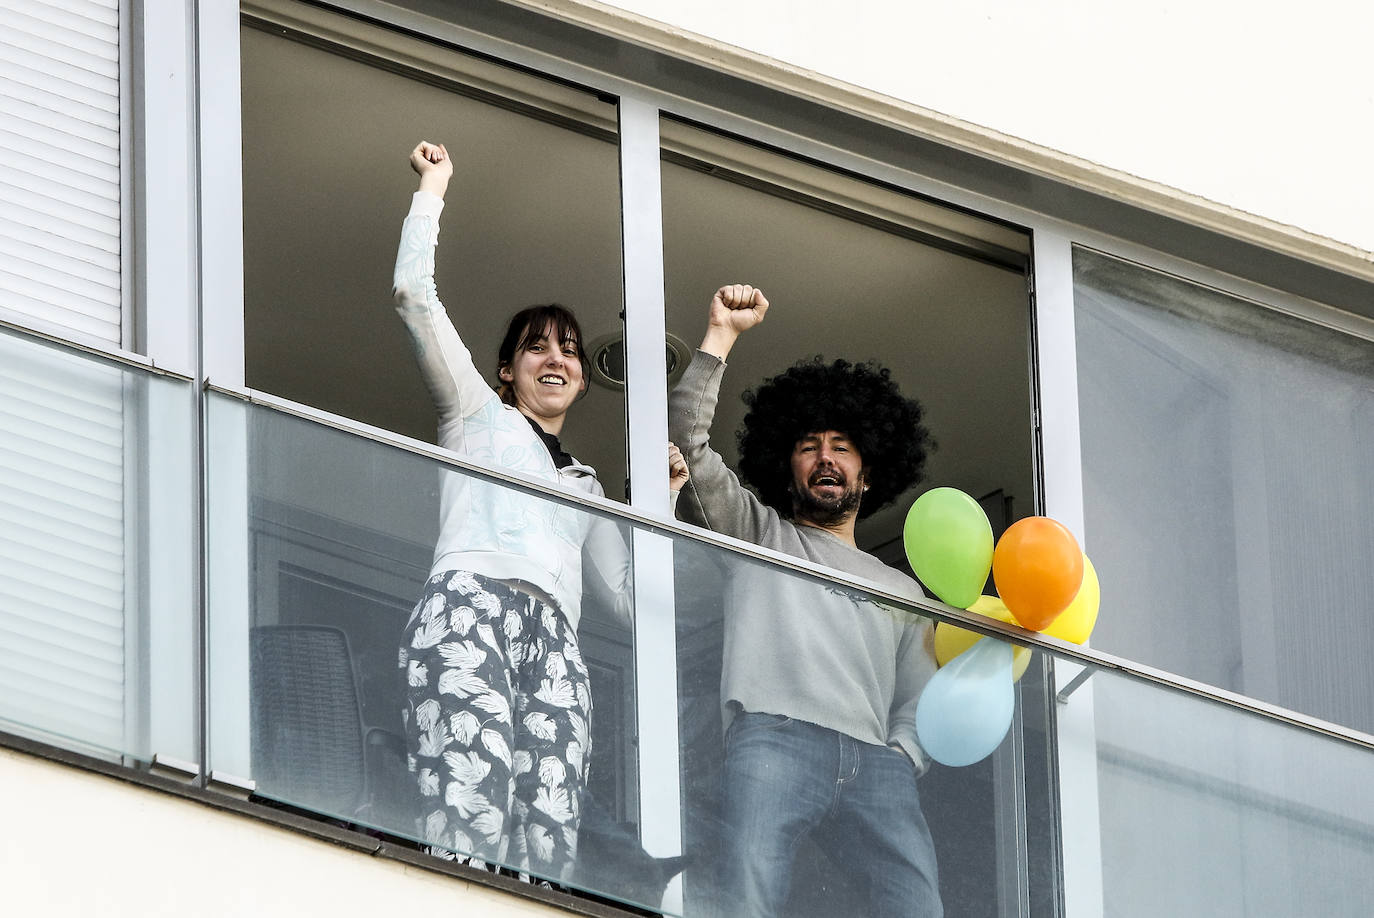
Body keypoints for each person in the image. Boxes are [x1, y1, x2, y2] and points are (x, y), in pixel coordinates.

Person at [392, 141, 689, 883]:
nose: (554, 359)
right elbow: (413, 295)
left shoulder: (586, 488)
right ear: (505, 370)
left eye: (569, 351)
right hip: (471, 606)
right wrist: (436, 186)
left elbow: (628, 602)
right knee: (470, 809)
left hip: (556, 640)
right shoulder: (475, 416)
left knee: (547, 842)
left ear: (584, 381)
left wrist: (671, 504)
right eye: (535, 348)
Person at [668, 284, 943, 917]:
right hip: (773, 740)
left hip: (876, 765)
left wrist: (902, 758)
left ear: (868, 473)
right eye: (808, 446)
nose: (825, 459)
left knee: (917, 905)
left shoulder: (904, 591)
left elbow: (922, 697)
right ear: (786, 464)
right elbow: (688, 439)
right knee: (747, 895)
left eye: (842, 448)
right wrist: (720, 335)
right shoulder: (758, 535)